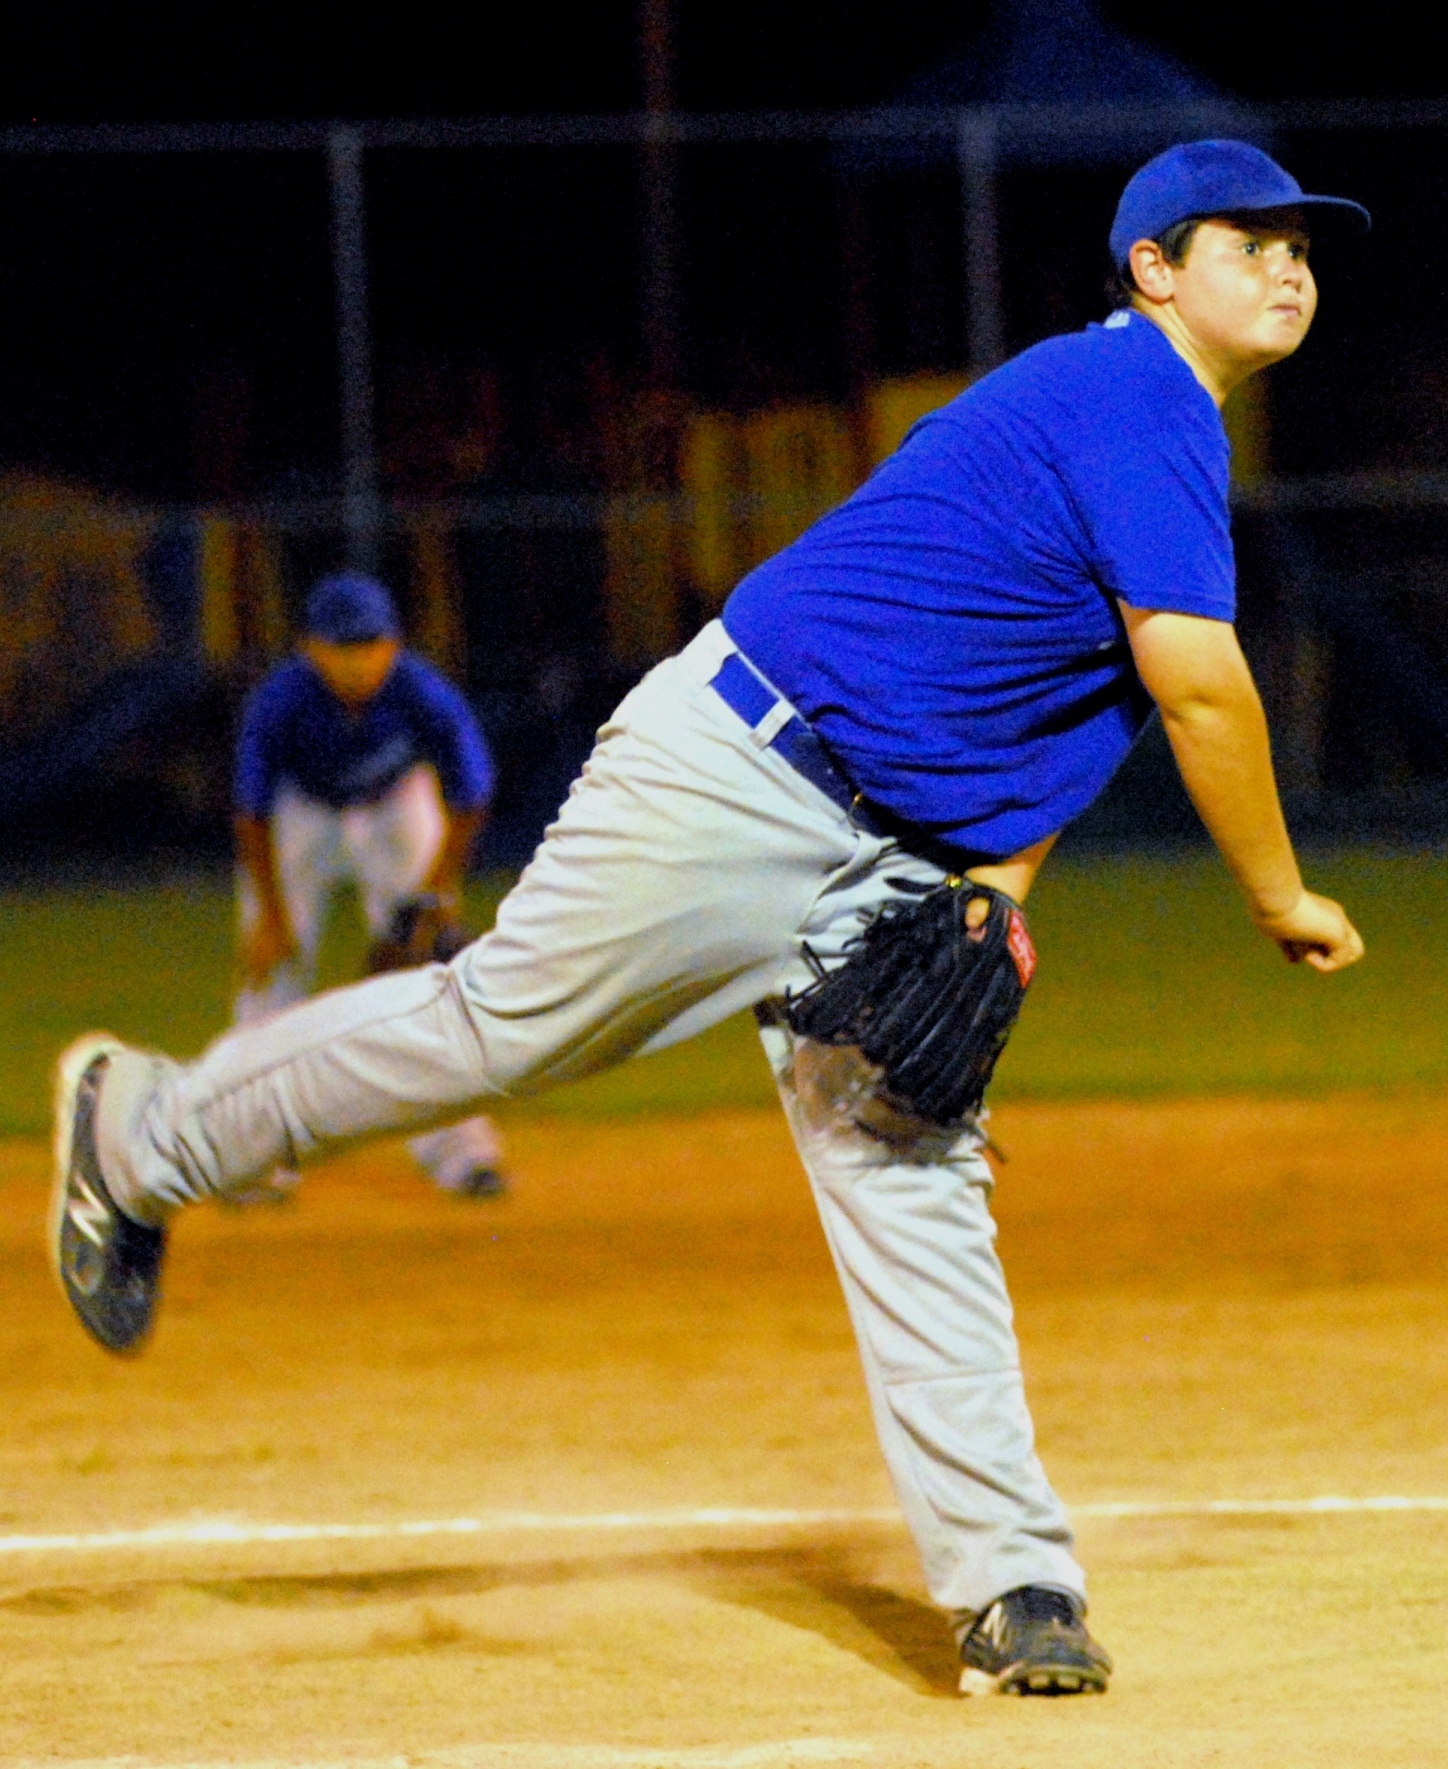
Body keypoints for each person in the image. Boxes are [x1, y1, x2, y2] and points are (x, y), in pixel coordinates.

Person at [51, 140, 1368, 1699]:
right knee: (497, 1030)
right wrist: (1279, 894)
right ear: (1153, 267)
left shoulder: (1156, 434)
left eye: (1304, 245)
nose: (1289, 265)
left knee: (912, 1173)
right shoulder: (1133, 399)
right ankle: (144, 1132)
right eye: (1249, 238)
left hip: (884, 847)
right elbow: (1198, 684)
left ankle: (1014, 1578)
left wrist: (990, 909)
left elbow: (1046, 729)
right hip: (739, 771)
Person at [231, 570, 506, 1200]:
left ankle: (463, 1153)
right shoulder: (281, 698)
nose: (361, 660)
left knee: (435, 978)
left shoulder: (421, 690)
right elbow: (251, 810)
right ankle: (251, 1158)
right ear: (311, 648)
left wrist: (434, 895)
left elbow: (472, 792)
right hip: (301, 812)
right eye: (344, 645)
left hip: (396, 804)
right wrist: (271, 916)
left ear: (394, 644)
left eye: (373, 644)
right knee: (271, 974)